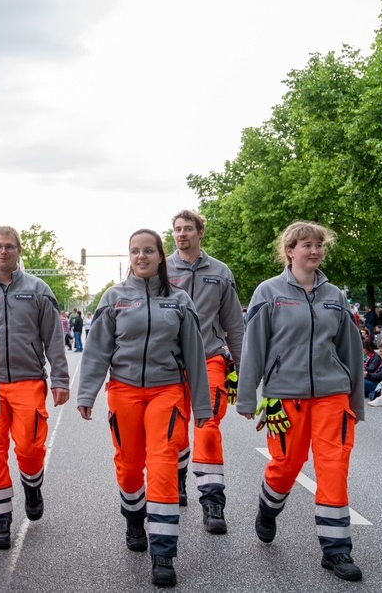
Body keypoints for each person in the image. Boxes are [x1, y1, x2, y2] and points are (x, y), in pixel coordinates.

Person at [76, 229, 211, 588]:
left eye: (148, 251)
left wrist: (201, 404)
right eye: (135, 251)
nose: (141, 257)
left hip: (167, 392)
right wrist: (86, 394)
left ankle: (163, 553)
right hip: (124, 392)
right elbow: (97, 351)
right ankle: (134, 518)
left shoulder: (180, 300)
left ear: (160, 256)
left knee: (163, 465)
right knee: (130, 466)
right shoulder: (114, 297)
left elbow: (195, 356)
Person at [237, 221, 365, 582]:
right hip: (285, 396)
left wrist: (356, 401)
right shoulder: (269, 292)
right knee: (286, 465)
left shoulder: (335, 296)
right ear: (289, 251)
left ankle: (336, 550)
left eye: (319, 245)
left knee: (334, 467)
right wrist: (248, 396)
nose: (314, 251)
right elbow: (255, 347)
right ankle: (268, 507)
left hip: (332, 394)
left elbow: (350, 350)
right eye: (305, 245)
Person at [0, 226, 70, 550]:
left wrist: (60, 379)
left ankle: (32, 484)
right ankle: (0, 521)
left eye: (9, 247)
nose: (3, 252)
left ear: (19, 250)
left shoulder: (39, 290)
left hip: (29, 381)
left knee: (30, 448)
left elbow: (54, 339)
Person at [165, 209, 244, 532]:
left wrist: (244, 367)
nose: (181, 234)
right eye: (177, 230)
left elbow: (233, 325)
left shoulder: (220, 272)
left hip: (210, 358)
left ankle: (212, 501)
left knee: (208, 425)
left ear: (200, 233)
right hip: (169, 362)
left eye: (188, 229)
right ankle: (178, 477)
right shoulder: (161, 269)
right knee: (175, 430)